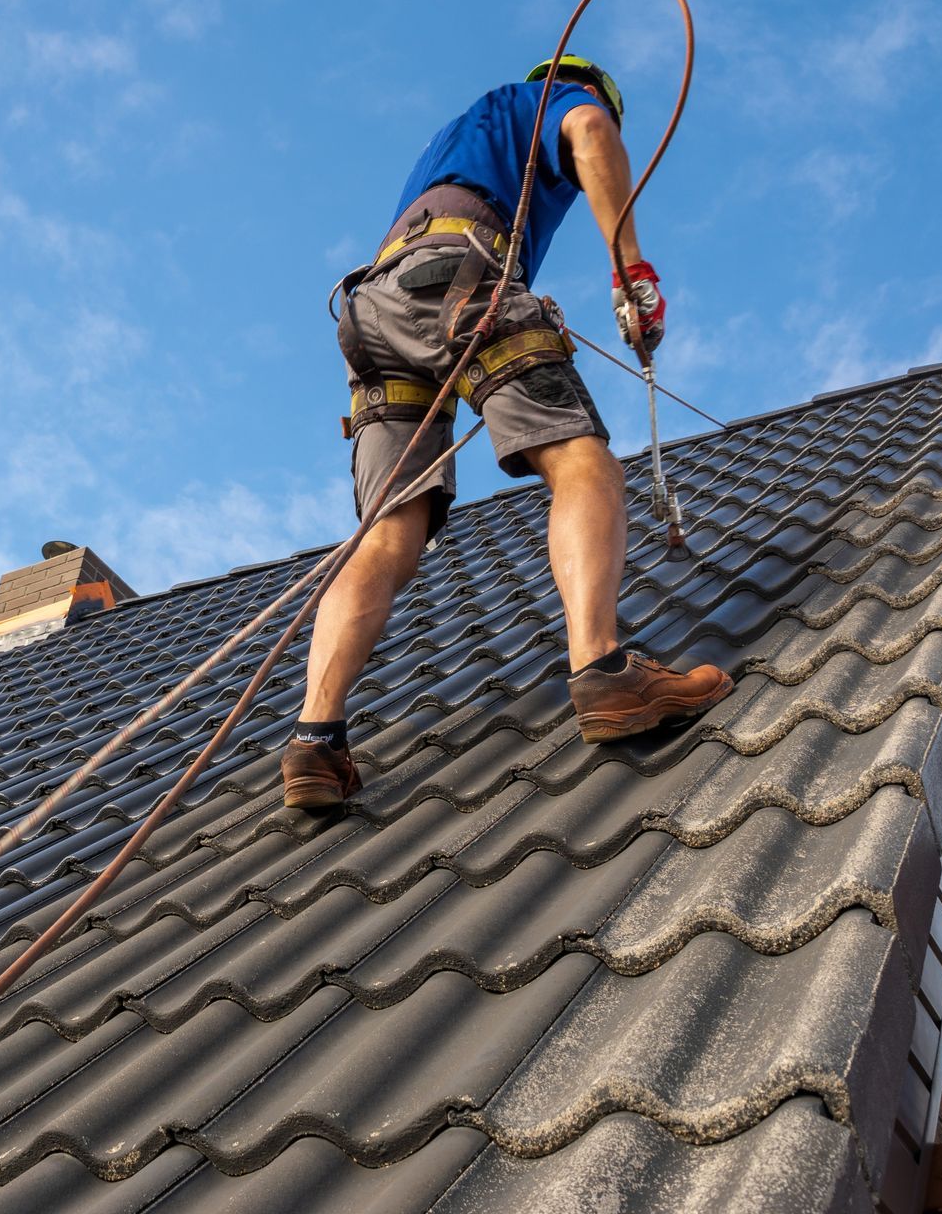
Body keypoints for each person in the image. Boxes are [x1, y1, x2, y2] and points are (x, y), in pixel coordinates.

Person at [282, 56, 732, 810]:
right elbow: (587, 130)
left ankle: (315, 744)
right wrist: (632, 276)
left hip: (375, 310)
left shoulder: (458, 139)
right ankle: (602, 669)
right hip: (458, 278)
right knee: (583, 463)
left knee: (388, 533)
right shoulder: (558, 102)